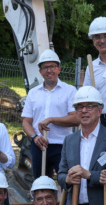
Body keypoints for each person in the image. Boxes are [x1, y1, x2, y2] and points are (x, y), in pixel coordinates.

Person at [22, 49, 78, 177]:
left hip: (62, 145)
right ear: (40, 71)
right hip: (39, 146)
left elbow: (76, 119)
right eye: (45, 67)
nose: (49, 70)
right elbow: (26, 122)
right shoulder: (33, 93)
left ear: (59, 69)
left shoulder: (70, 91)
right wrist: (34, 137)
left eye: (52, 66)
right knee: (40, 184)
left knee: (66, 182)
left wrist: (51, 119)